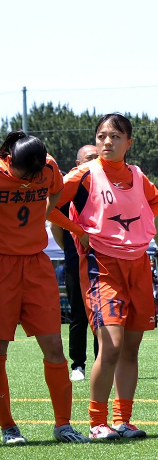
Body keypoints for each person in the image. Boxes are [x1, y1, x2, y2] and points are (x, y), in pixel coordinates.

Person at [0, 132, 87, 444]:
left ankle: (64, 425)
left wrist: (42, 218)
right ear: (9, 160)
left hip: (37, 265)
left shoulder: (48, 167)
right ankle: (8, 428)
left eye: (35, 176)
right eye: (25, 174)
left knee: (54, 348)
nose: (30, 180)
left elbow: (57, 194)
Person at [50, 114, 157, 441]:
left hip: (138, 263)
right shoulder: (83, 173)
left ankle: (123, 420)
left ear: (129, 142)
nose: (107, 142)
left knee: (130, 347)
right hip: (101, 265)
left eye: (115, 136)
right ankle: (97, 423)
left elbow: (154, 202)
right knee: (109, 345)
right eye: (101, 136)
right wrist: (76, 230)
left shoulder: (138, 176)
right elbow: (48, 205)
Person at [51, 143, 101, 380]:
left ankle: (102, 362)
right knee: (79, 314)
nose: (96, 161)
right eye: (90, 158)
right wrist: (75, 247)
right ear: (78, 165)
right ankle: (77, 365)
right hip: (76, 261)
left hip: (103, 259)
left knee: (103, 316)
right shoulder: (69, 190)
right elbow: (55, 224)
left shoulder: (106, 188)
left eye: (98, 157)